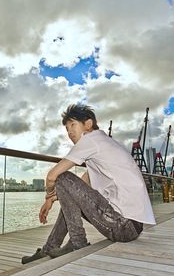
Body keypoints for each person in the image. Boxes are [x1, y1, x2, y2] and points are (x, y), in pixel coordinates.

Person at [21, 104, 156, 264]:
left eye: (73, 124)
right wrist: (52, 198)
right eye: (66, 128)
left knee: (63, 176)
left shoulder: (91, 140)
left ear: (88, 124)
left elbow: (52, 176)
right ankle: (50, 247)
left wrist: (47, 197)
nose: (69, 132)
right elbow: (76, 187)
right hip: (130, 227)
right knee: (66, 186)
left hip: (123, 225)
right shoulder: (102, 144)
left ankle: (78, 242)